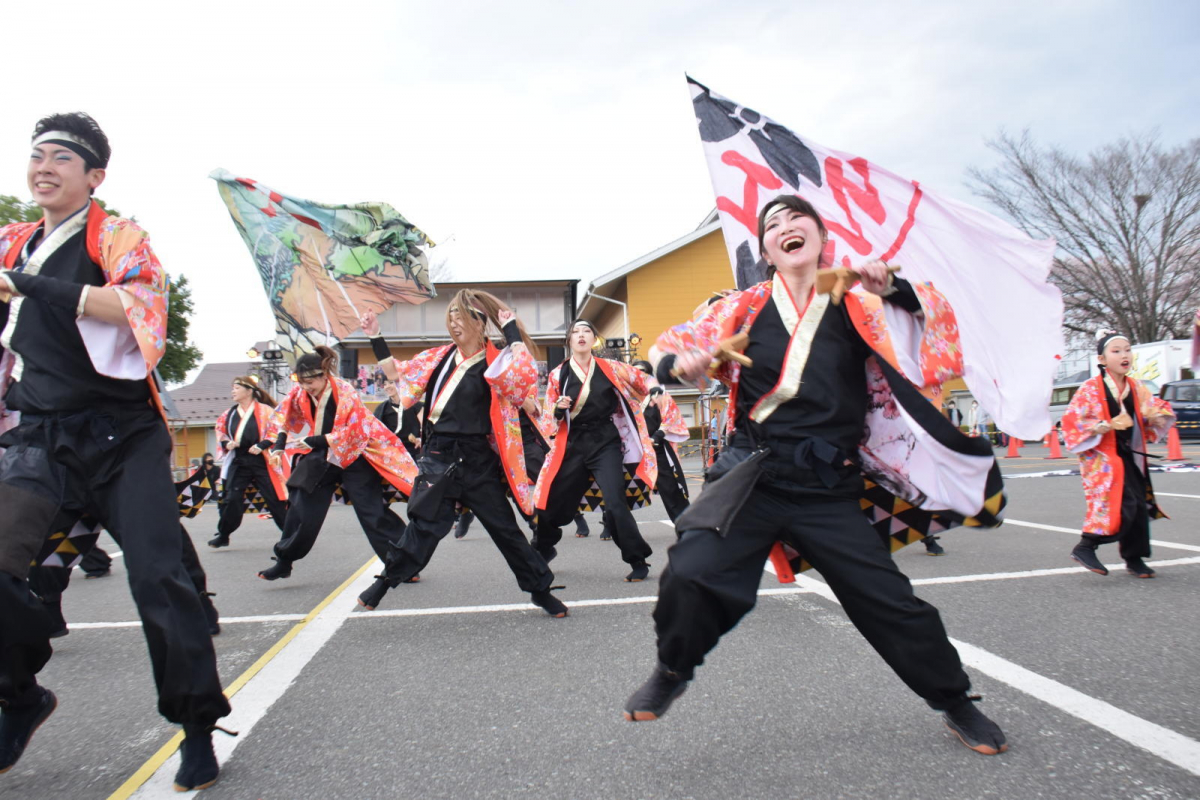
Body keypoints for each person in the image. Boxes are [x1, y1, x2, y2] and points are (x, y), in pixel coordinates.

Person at [624, 194, 1008, 756]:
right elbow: (669, 348)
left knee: (888, 601)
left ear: (821, 236)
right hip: (752, 470)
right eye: (772, 225)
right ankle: (674, 667)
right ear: (766, 252)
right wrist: (680, 365)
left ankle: (955, 701)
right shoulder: (744, 306)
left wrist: (891, 288)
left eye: (796, 218)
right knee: (691, 569)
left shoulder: (858, 303)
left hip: (829, 483)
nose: (785, 227)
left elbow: (937, 326)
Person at [0, 112, 229, 789]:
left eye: (61, 158)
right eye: (36, 154)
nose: (43, 166)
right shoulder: (13, 242)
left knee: (158, 577)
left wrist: (31, 285)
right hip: (41, 437)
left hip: (120, 436)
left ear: (94, 176)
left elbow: (135, 309)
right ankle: (20, 694)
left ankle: (195, 725)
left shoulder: (118, 236)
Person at [355, 292, 566, 617]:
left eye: (461, 318)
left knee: (505, 529)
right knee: (424, 527)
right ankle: (384, 582)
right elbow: (400, 375)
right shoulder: (439, 357)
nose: (454, 324)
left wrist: (510, 331)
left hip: (477, 459)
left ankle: (540, 589)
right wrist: (374, 335)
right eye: (450, 318)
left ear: (481, 324)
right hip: (439, 455)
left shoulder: (499, 361)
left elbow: (522, 380)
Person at [257, 346, 414, 581]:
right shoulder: (300, 394)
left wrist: (312, 440)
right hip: (321, 455)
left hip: (355, 454)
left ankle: (403, 565)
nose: (306, 387)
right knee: (300, 506)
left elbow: (353, 430)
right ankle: (284, 559)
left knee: (371, 511)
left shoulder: (344, 391)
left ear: (323, 374)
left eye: (310, 381)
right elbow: (283, 417)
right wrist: (278, 445)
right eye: (302, 382)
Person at [532, 321, 657, 582]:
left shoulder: (611, 367)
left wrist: (656, 391)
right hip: (573, 442)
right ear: (569, 340)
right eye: (575, 332)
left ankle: (637, 558)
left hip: (605, 441)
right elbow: (547, 420)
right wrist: (557, 408)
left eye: (586, 331)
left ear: (594, 339)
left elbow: (644, 381)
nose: (580, 335)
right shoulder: (558, 374)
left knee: (615, 502)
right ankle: (544, 549)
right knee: (550, 501)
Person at [1061, 331, 1175, 578]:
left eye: (1127, 350)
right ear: (1101, 359)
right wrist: (1100, 425)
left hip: (1129, 456)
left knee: (1138, 507)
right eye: (1117, 351)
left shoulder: (1136, 386)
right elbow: (1071, 421)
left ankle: (1134, 558)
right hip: (1103, 459)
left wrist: (1155, 416)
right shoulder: (1090, 389)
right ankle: (1086, 546)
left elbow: (1153, 409)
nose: (1125, 355)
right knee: (1122, 505)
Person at [209, 377, 288, 548]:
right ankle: (224, 534)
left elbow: (277, 430)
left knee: (274, 498)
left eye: (236, 388)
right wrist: (226, 443)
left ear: (249, 390)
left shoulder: (265, 410)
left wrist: (262, 445)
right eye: (233, 388)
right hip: (239, 459)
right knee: (231, 499)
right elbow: (220, 432)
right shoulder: (228, 414)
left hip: (261, 460)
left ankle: (290, 535)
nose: (233, 391)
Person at [632, 361, 690, 526]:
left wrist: (657, 435)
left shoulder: (659, 394)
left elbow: (671, 416)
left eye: (643, 371)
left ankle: (686, 526)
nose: (639, 374)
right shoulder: (627, 396)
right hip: (632, 449)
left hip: (656, 448)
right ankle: (610, 524)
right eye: (635, 371)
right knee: (617, 486)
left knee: (670, 489)